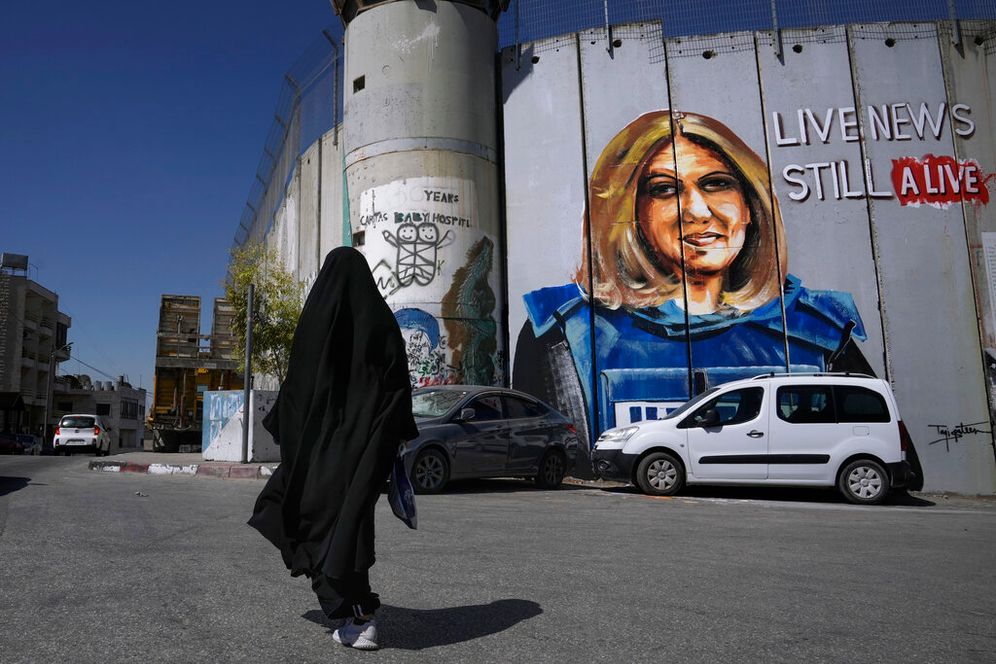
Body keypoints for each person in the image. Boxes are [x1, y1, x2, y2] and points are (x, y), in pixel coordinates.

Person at [513, 110, 873, 463]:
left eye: (716, 183)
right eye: (665, 190)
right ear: (629, 213)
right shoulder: (566, 333)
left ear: (750, 203)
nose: (698, 211)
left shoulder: (818, 329)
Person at [248, 246, 419, 651]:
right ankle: (358, 614)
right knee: (347, 530)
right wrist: (381, 442)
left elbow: (295, 390)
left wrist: (293, 436)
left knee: (294, 514)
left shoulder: (316, 325)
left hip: (315, 457)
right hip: (361, 457)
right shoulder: (382, 324)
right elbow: (398, 393)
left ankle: (356, 616)